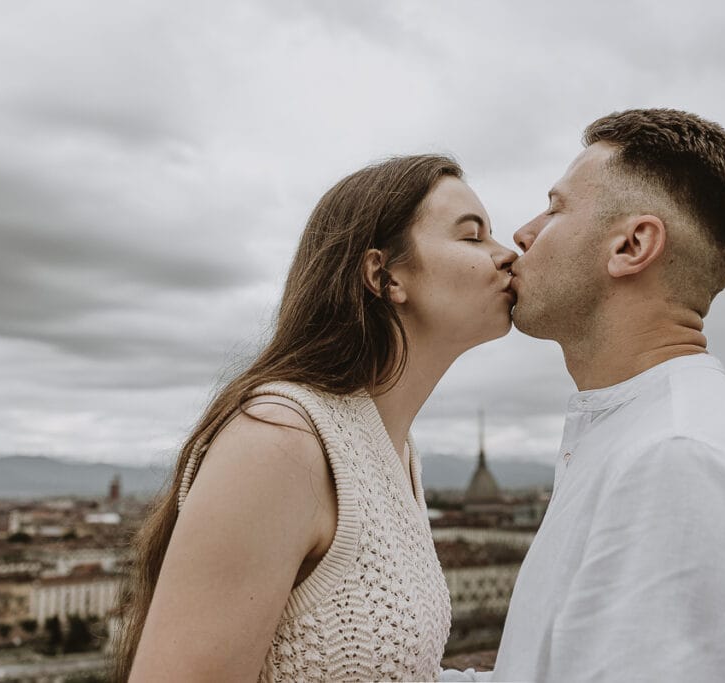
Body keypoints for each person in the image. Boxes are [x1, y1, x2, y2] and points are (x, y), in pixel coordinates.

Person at [444, 109, 725, 682]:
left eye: (556, 207)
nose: (523, 233)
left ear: (631, 245)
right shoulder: (646, 433)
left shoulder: (679, 459)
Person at [114, 154, 517, 682]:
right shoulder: (280, 441)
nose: (507, 254)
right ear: (385, 275)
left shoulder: (394, 451)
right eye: (473, 237)